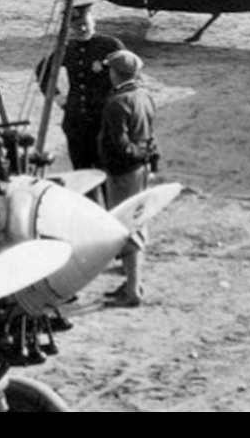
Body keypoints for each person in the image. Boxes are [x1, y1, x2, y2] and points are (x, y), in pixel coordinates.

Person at [98, 49, 157, 307]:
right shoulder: (144, 96)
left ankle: (132, 291)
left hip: (123, 172)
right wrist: (147, 157)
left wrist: (136, 155)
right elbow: (148, 133)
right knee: (137, 222)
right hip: (139, 171)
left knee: (127, 229)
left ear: (114, 73)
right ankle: (132, 282)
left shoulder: (116, 103)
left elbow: (122, 145)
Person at [37, 0, 125, 172]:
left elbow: (129, 73)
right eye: (77, 26)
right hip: (76, 122)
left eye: (85, 24)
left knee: (106, 169)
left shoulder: (110, 45)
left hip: (104, 121)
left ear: (93, 22)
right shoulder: (67, 49)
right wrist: (58, 98)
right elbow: (43, 71)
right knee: (81, 171)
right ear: (70, 28)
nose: (82, 29)